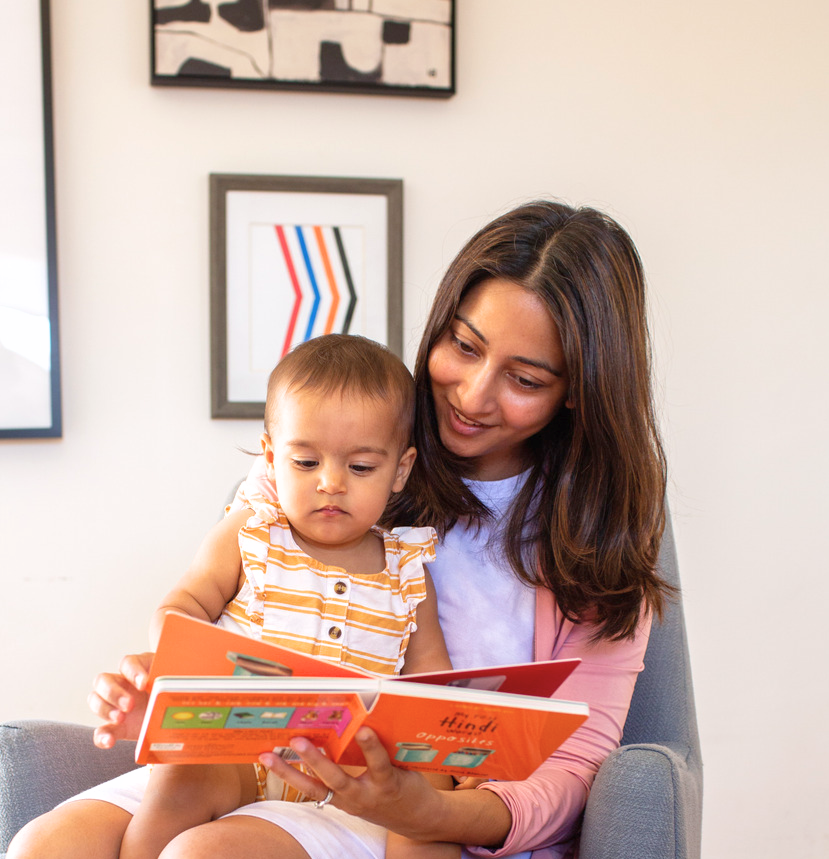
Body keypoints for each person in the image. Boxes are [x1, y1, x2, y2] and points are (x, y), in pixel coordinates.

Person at [9, 200, 672, 859]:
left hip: (399, 799)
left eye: (524, 378)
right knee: (45, 844)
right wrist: (162, 681)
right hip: (245, 759)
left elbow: (574, 762)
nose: (470, 395)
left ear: (577, 389)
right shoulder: (341, 451)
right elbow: (214, 613)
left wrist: (433, 808)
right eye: (462, 346)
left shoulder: (594, 539)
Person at [8, 334, 458, 859]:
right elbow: (181, 608)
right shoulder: (251, 534)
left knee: (214, 849)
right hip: (233, 756)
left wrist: (442, 769)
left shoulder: (407, 570)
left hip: (341, 786)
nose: (331, 483)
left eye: (360, 467)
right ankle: (157, 823)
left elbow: (433, 686)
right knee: (44, 843)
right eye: (306, 463)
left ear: (399, 470)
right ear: (271, 458)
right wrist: (168, 667)